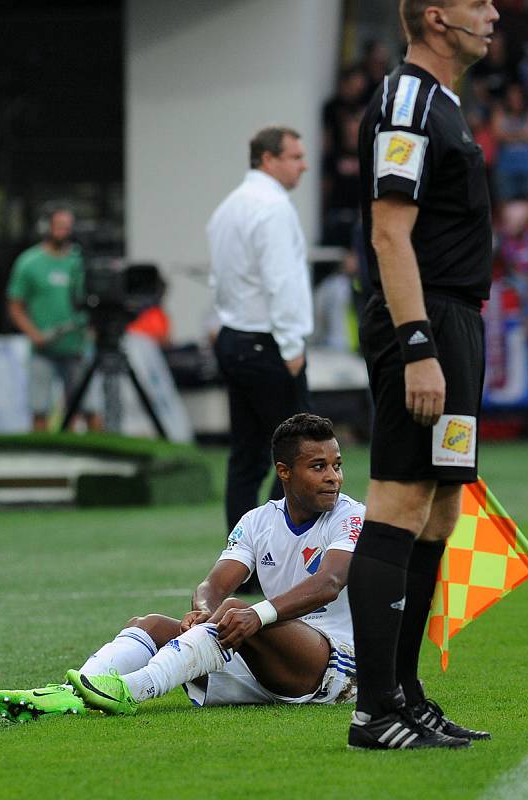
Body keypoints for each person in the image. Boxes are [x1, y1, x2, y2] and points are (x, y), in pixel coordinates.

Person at [0, 414, 363, 721]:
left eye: (337, 465)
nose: (334, 477)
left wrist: (255, 616)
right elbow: (213, 585)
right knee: (149, 624)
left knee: (235, 610)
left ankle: (132, 690)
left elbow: (329, 582)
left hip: (332, 668)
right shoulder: (256, 521)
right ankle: (70, 694)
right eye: (319, 466)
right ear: (284, 472)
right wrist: (202, 614)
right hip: (264, 664)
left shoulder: (352, 516)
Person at [349, 0, 498, 751]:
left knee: (440, 509)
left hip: (454, 320)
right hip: (423, 322)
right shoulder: (406, 98)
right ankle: (371, 710)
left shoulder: (444, 103)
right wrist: (415, 344)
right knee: (399, 502)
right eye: (480, 3)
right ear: (436, 18)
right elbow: (387, 230)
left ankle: (404, 694)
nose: (494, 14)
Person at [207, 126, 313, 591]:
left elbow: (219, 280)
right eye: (295, 156)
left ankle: (242, 564)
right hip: (268, 341)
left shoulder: (228, 207)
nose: (303, 165)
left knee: (246, 457)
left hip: (234, 336)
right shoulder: (272, 208)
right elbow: (282, 281)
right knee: (301, 452)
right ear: (268, 159)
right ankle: (278, 558)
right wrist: (292, 346)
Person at [6, 205, 100, 432]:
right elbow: (15, 306)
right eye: (58, 226)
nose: (62, 231)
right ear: (46, 227)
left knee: (89, 408)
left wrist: (92, 331)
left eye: (67, 227)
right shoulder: (29, 262)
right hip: (43, 350)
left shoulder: (80, 261)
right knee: (39, 409)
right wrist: (34, 334)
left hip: (77, 348)